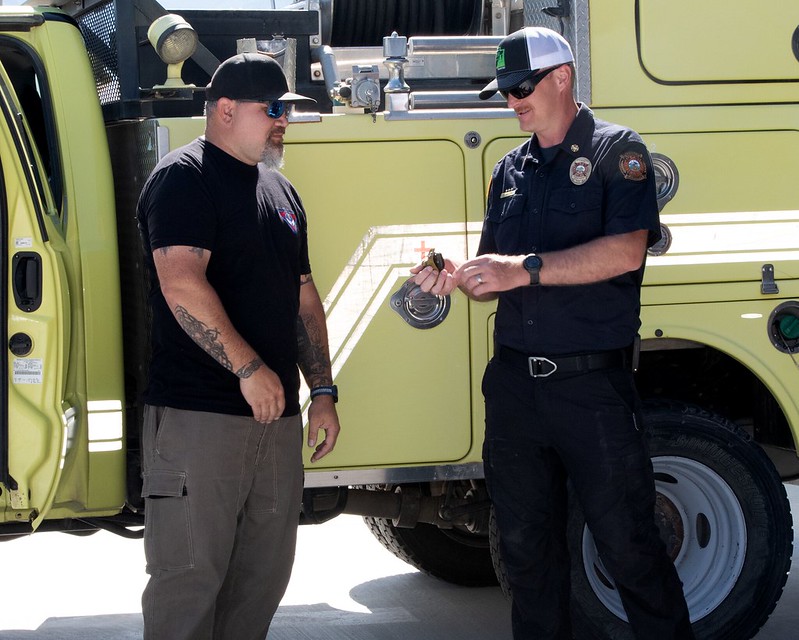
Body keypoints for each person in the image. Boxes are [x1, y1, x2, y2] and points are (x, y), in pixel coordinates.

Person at [412, 27, 694, 640]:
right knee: (524, 554)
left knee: (629, 547)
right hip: (515, 387)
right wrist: (458, 275)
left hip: (591, 388)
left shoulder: (620, 152)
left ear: (562, 77)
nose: (511, 100)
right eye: (504, 91)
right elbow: (496, 275)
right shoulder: (510, 168)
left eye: (521, 87)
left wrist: (524, 270)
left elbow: (624, 252)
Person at [136, 53, 341, 640]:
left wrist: (322, 391)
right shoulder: (184, 178)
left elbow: (303, 298)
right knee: (188, 586)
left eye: (287, 112)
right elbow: (180, 281)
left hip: (275, 425)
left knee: (262, 581)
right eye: (272, 110)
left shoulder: (281, 191)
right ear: (225, 110)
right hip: (200, 421)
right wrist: (249, 367)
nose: (283, 122)